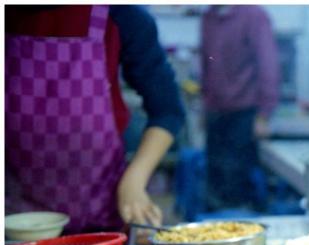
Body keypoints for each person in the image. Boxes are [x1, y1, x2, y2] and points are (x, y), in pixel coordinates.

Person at [5, 5, 184, 233]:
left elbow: (167, 110)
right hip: (14, 220)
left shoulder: (120, 15)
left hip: (101, 213)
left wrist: (134, 181)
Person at [201, 5, 280, 211]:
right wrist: (205, 105)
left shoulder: (253, 15)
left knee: (237, 183)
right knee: (215, 182)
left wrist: (263, 115)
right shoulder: (208, 16)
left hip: (245, 113)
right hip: (215, 113)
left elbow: (268, 64)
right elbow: (206, 64)